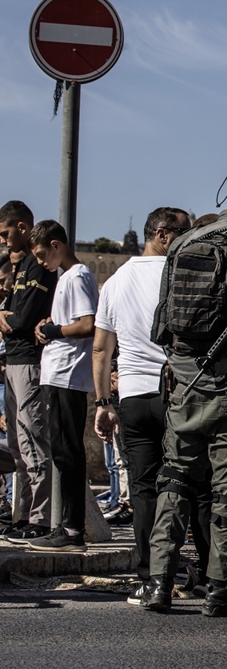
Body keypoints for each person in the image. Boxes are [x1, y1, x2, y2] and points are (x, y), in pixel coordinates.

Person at [142, 169, 227, 617]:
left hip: (184, 382)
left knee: (175, 480)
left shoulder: (184, 241)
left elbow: (163, 323)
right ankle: (221, 587)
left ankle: (159, 581)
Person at [92, 207, 188, 601]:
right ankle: (189, 570)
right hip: (176, 394)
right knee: (187, 483)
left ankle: (150, 574)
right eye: (181, 233)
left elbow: (101, 348)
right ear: (163, 236)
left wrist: (103, 402)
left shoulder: (116, 281)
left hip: (131, 397)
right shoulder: (178, 274)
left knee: (144, 488)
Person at [22, 220, 97, 552]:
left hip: (68, 374)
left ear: (56, 245)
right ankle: (67, 526)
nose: (40, 263)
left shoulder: (77, 276)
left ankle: (71, 528)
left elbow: (87, 324)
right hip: (57, 373)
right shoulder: (65, 278)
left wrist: (54, 332)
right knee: (61, 452)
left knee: (68, 451)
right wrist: (50, 325)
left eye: (41, 255)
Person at [0, 201, 56, 543]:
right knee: (19, 449)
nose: (4, 241)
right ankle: (23, 515)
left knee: (33, 442)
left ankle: (41, 517)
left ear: (21, 227)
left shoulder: (38, 267)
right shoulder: (17, 265)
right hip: (13, 362)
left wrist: (2, 317)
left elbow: (19, 320)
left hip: (29, 364)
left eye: (6, 233)